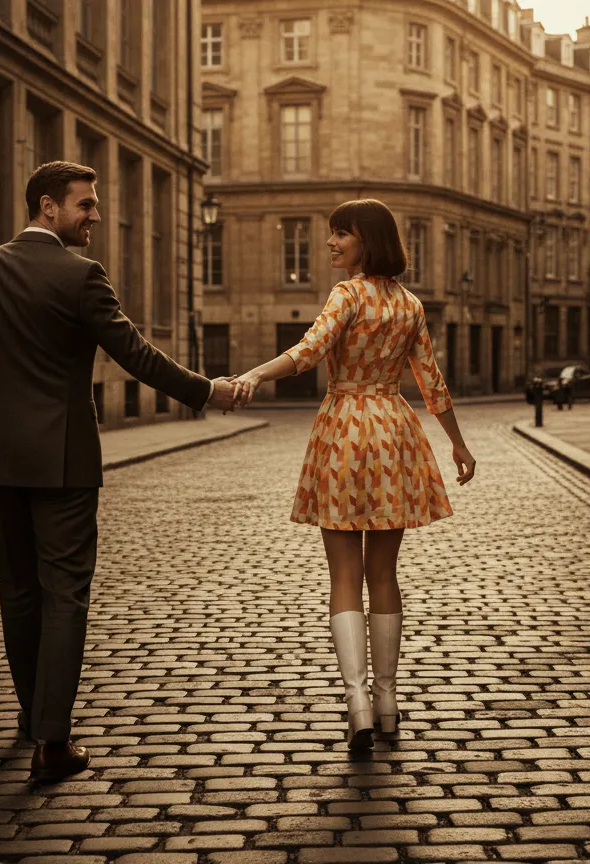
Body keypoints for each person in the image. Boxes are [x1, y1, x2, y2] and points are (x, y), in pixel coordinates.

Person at [0, 161, 238, 781]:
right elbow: (136, 353)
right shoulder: (80, 277)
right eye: (86, 205)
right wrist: (207, 391)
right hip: (63, 458)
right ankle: (52, 742)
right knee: (65, 594)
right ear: (48, 207)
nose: (95, 215)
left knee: (18, 593)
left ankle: (31, 719)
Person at [231, 199, 476, 750]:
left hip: (344, 428)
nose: (331, 244)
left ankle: (359, 704)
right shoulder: (410, 305)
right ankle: (389, 703)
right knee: (384, 574)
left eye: (341, 235)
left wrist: (252, 375)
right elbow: (431, 382)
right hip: (393, 429)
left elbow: (307, 352)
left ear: (367, 239)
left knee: (344, 574)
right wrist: (458, 445)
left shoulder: (347, 294)